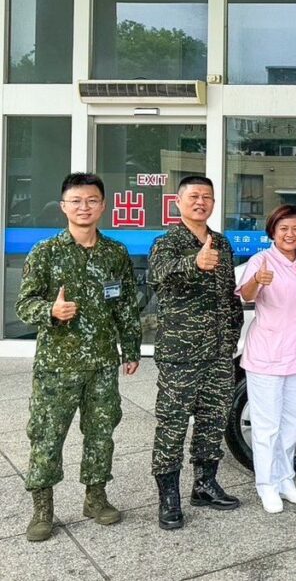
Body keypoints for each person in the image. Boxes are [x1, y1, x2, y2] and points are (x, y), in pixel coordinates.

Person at [16, 173, 140, 542]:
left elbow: (125, 305)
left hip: (102, 364)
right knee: (47, 436)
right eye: (76, 201)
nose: (84, 207)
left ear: (103, 206)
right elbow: (24, 303)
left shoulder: (115, 253)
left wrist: (131, 348)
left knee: (101, 433)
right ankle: (42, 509)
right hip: (57, 365)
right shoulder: (46, 252)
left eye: (91, 200)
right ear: (63, 206)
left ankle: (96, 498)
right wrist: (50, 311)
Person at [149, 175, 244, 530]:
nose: (200, 202)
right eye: (193, 196)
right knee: (172, 425)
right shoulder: (167, 242)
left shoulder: (222, 243)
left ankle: (204, 484)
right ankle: (168, 496)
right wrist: (194, 262)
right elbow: (158, 275)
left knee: (213, 420)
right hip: (182, 354)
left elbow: (228, 293)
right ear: (178, 202)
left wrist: (232, 334)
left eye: (207, 196)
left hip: (219, 352)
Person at [236, 205, 296, 514]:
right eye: (283, 228)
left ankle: (286, 480)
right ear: (272, 231)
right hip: (267, 355)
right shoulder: (261, 260)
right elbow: (246, 295)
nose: (290, 234)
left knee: (291, 421)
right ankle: (266, 485)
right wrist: (257, 280)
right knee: (267, 425)